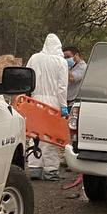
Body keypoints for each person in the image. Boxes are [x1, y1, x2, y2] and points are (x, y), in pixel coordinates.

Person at [26, 34, 68, 181]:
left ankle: (34, 169)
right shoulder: (61, 62)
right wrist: (63, 106)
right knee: (51, 137)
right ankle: (51, 171)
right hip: (53, 104)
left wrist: (28, 98)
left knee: (35, 135)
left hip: (35, 101)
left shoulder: (34, 58)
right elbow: (62, 87)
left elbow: (27, 78)